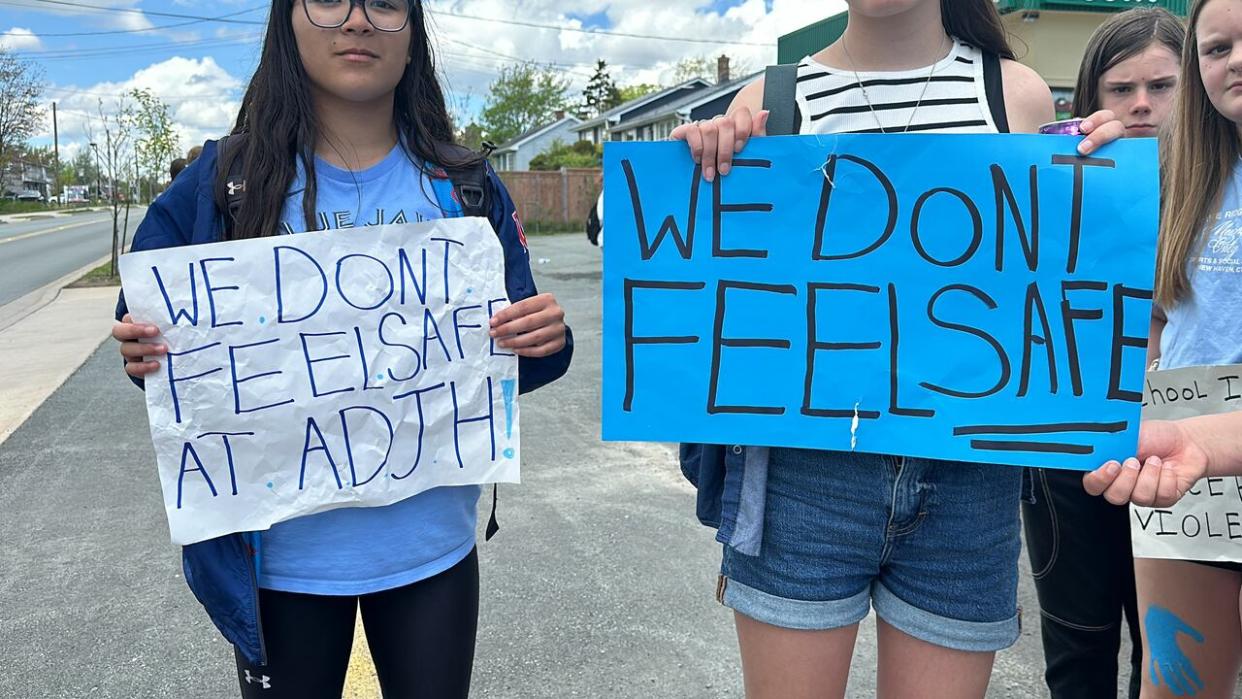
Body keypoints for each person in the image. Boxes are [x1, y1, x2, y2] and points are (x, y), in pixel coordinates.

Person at [110, 1, 573, 697]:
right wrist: (141, 348)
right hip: (278, 566)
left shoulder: (466, 187)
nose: (358, 22)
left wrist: (545, 341)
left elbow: (508, 353)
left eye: (385, 3)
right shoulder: (221, 183)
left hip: (430, 553)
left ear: (413, 34)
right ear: (285, 22)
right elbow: (158, 340)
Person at [671, 1, 1126, 697]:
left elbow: (1059, 272)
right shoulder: (769, 99)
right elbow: (731, 279)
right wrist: (703, 167)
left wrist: (1106, 183)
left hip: (970, 479)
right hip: (804, 474)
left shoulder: (1016, 93)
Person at [1021, 9, 1183, 699]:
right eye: (1121, 89)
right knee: (1077, 651)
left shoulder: (1226, 188)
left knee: (1171, 654)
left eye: (1162, 85)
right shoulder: (1059, 175)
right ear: (1091, 97)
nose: (1141, 103)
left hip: (1186, 446)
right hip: (1070, 447)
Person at [1082, 0, 1242, 695]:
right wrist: (1078, 155)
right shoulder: (1177, 174)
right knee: (1176, 684)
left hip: (1197, 441)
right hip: (1179, 455)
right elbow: (1150, 305)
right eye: (1216, 47)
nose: (1234, 59)